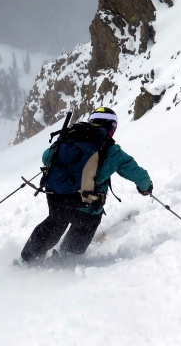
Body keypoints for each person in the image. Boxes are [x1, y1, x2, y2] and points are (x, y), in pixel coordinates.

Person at [19, 107, 152, 265]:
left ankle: (27, 260)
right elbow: (134, 170)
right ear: (111, 127)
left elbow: (46, 157)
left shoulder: (69, 138)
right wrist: (146, 186)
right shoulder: (111, 150)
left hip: (57, 200)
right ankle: (66, 258)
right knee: (85, 225)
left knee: (54, 223)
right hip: (85, 205)